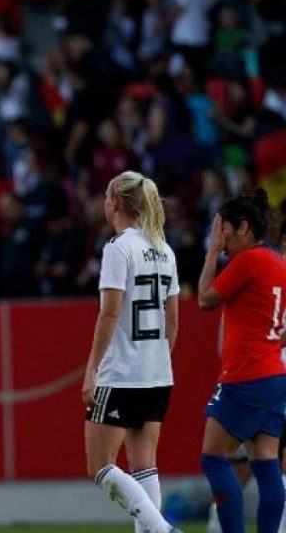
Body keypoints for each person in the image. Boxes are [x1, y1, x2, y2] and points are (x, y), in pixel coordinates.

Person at [81, 171, 182, 533]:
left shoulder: (119, 247)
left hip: (121, 372)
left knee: (100, 465)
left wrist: (92, 369)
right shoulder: (164, 249)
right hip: (157, 372)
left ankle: (163, 530)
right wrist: (158, 358)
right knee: (144, 464)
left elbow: (109, 311)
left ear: (116, 202)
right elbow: (173, 319)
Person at [198, 188, 286, 533]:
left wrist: (211, 254)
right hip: (275, 374)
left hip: (246, 374)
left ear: (245, 228)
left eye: (226, 232)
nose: (223, 240)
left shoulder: (248, 261)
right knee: (266, 462)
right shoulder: (278, 261)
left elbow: (205, 299)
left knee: (213, 458)